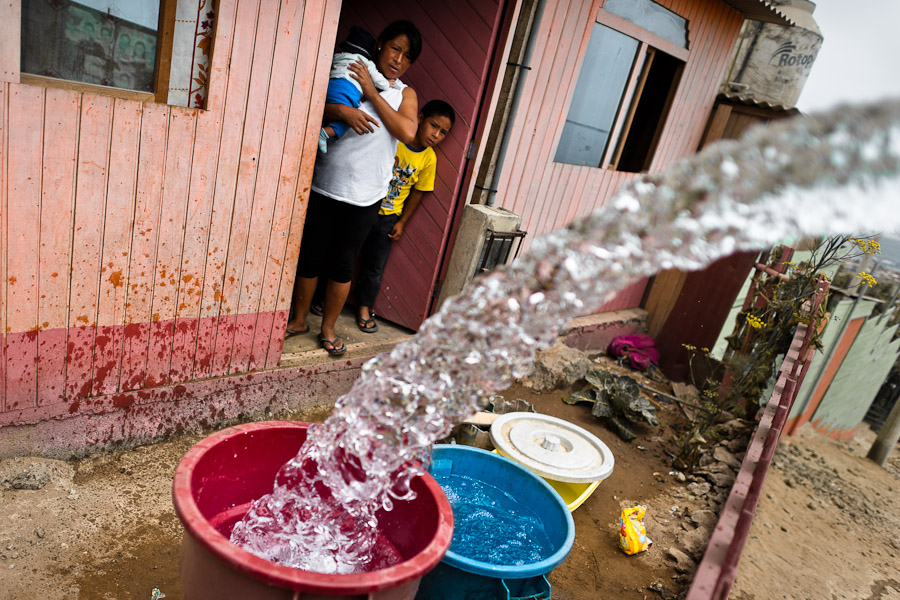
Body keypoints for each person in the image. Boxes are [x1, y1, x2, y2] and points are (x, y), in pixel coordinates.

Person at [286, 20, 422, 356]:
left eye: (407, 57)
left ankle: (328, 328)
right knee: (311, 256)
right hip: (325, 183)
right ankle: (300, 319)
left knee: (344, 264)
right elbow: (316, 106)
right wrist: (344, 111)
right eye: (395, 48)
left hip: (366, 194)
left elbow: (406, 131)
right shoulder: (349, 65)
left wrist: (373, 93)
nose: (398, 59)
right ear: (380, 43)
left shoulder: (403, 93)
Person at [354, 100, 455, 333]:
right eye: (433, 126)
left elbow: (418, 192)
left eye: (443, 133)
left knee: (374, 265)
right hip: (366, 204)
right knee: (347, 254)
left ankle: (364, 307)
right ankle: (324, 299)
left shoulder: (429, 159)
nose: (436, 135)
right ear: (419, 118)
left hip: (389, 217)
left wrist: (401, 222)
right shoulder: (396, 139)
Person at [319, 26, 392, 154]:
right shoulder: (365, 63)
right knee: (351, 120)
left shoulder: (338, 56)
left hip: (330, 87)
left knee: (325, 113)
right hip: (346, 93)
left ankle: (319, 129)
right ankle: (324, 133)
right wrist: (388, 83)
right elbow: (381, 83)